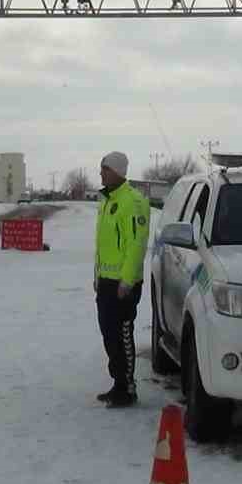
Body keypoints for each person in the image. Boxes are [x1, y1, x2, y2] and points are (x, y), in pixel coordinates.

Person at [92, 151, 151, 408]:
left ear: (118, 171)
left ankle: (127, 388)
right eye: (101, 169)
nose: (101, 173)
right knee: (109, 335)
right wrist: (97, 274)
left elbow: (136, 244)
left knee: (122, 335)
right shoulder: (107, 200)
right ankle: (117, 383)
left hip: (123, 285)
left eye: (105, 169)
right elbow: (103, 245)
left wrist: (127, 281)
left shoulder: (133, 201)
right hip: (106, 281)